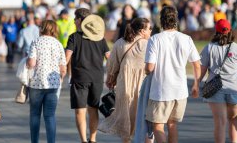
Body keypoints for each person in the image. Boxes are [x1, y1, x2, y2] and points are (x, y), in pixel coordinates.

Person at [144, 6, 201, 143]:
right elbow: (197, 64)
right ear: (176, 20)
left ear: (161, 20)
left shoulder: (155, 39)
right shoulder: (186, 39)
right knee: (172, 125)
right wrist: (196, 85)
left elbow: (149, 67)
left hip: (161, 91)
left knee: (158, 126)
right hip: (180, 90)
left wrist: (146, 71)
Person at [199, 19, 237, 143]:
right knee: (234, 119)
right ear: (230, 30)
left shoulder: (209, 48)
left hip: (215, 90)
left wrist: (195, 85)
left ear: (216, 31)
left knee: (220, 122)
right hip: (235, 90)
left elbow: (202, 70)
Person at [99, 18, 152, 143]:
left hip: (124, 85)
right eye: (149, 28)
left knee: (126, 120)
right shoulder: (150, 45)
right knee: (145, 118)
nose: (151, 31)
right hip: (143, 86)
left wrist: (110, 79)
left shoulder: (120, 43)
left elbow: (111, 64)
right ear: (142, 31)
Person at [65, 9, 110, 143]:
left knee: (80, 110)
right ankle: (93, 139)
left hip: (80, 78)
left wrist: (60, 70)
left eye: (75, 18)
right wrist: (113, 76)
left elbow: (66, 57)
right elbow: (109, 58)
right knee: (93, 108)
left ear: (80, 20)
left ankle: (84, 140)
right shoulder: (100, 38)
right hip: (97, 78)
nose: (73, 21)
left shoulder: (74, 37)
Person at [27, 20, 67, 143]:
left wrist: (28, 62)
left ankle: (34, 141)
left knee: (35, 115)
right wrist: (61, 79)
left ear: (42, 28)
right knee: (50, 116)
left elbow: (31, 63)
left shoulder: (36, 42)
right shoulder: (58, 44)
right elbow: (63, 68)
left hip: (36, 83)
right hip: (53, 84)